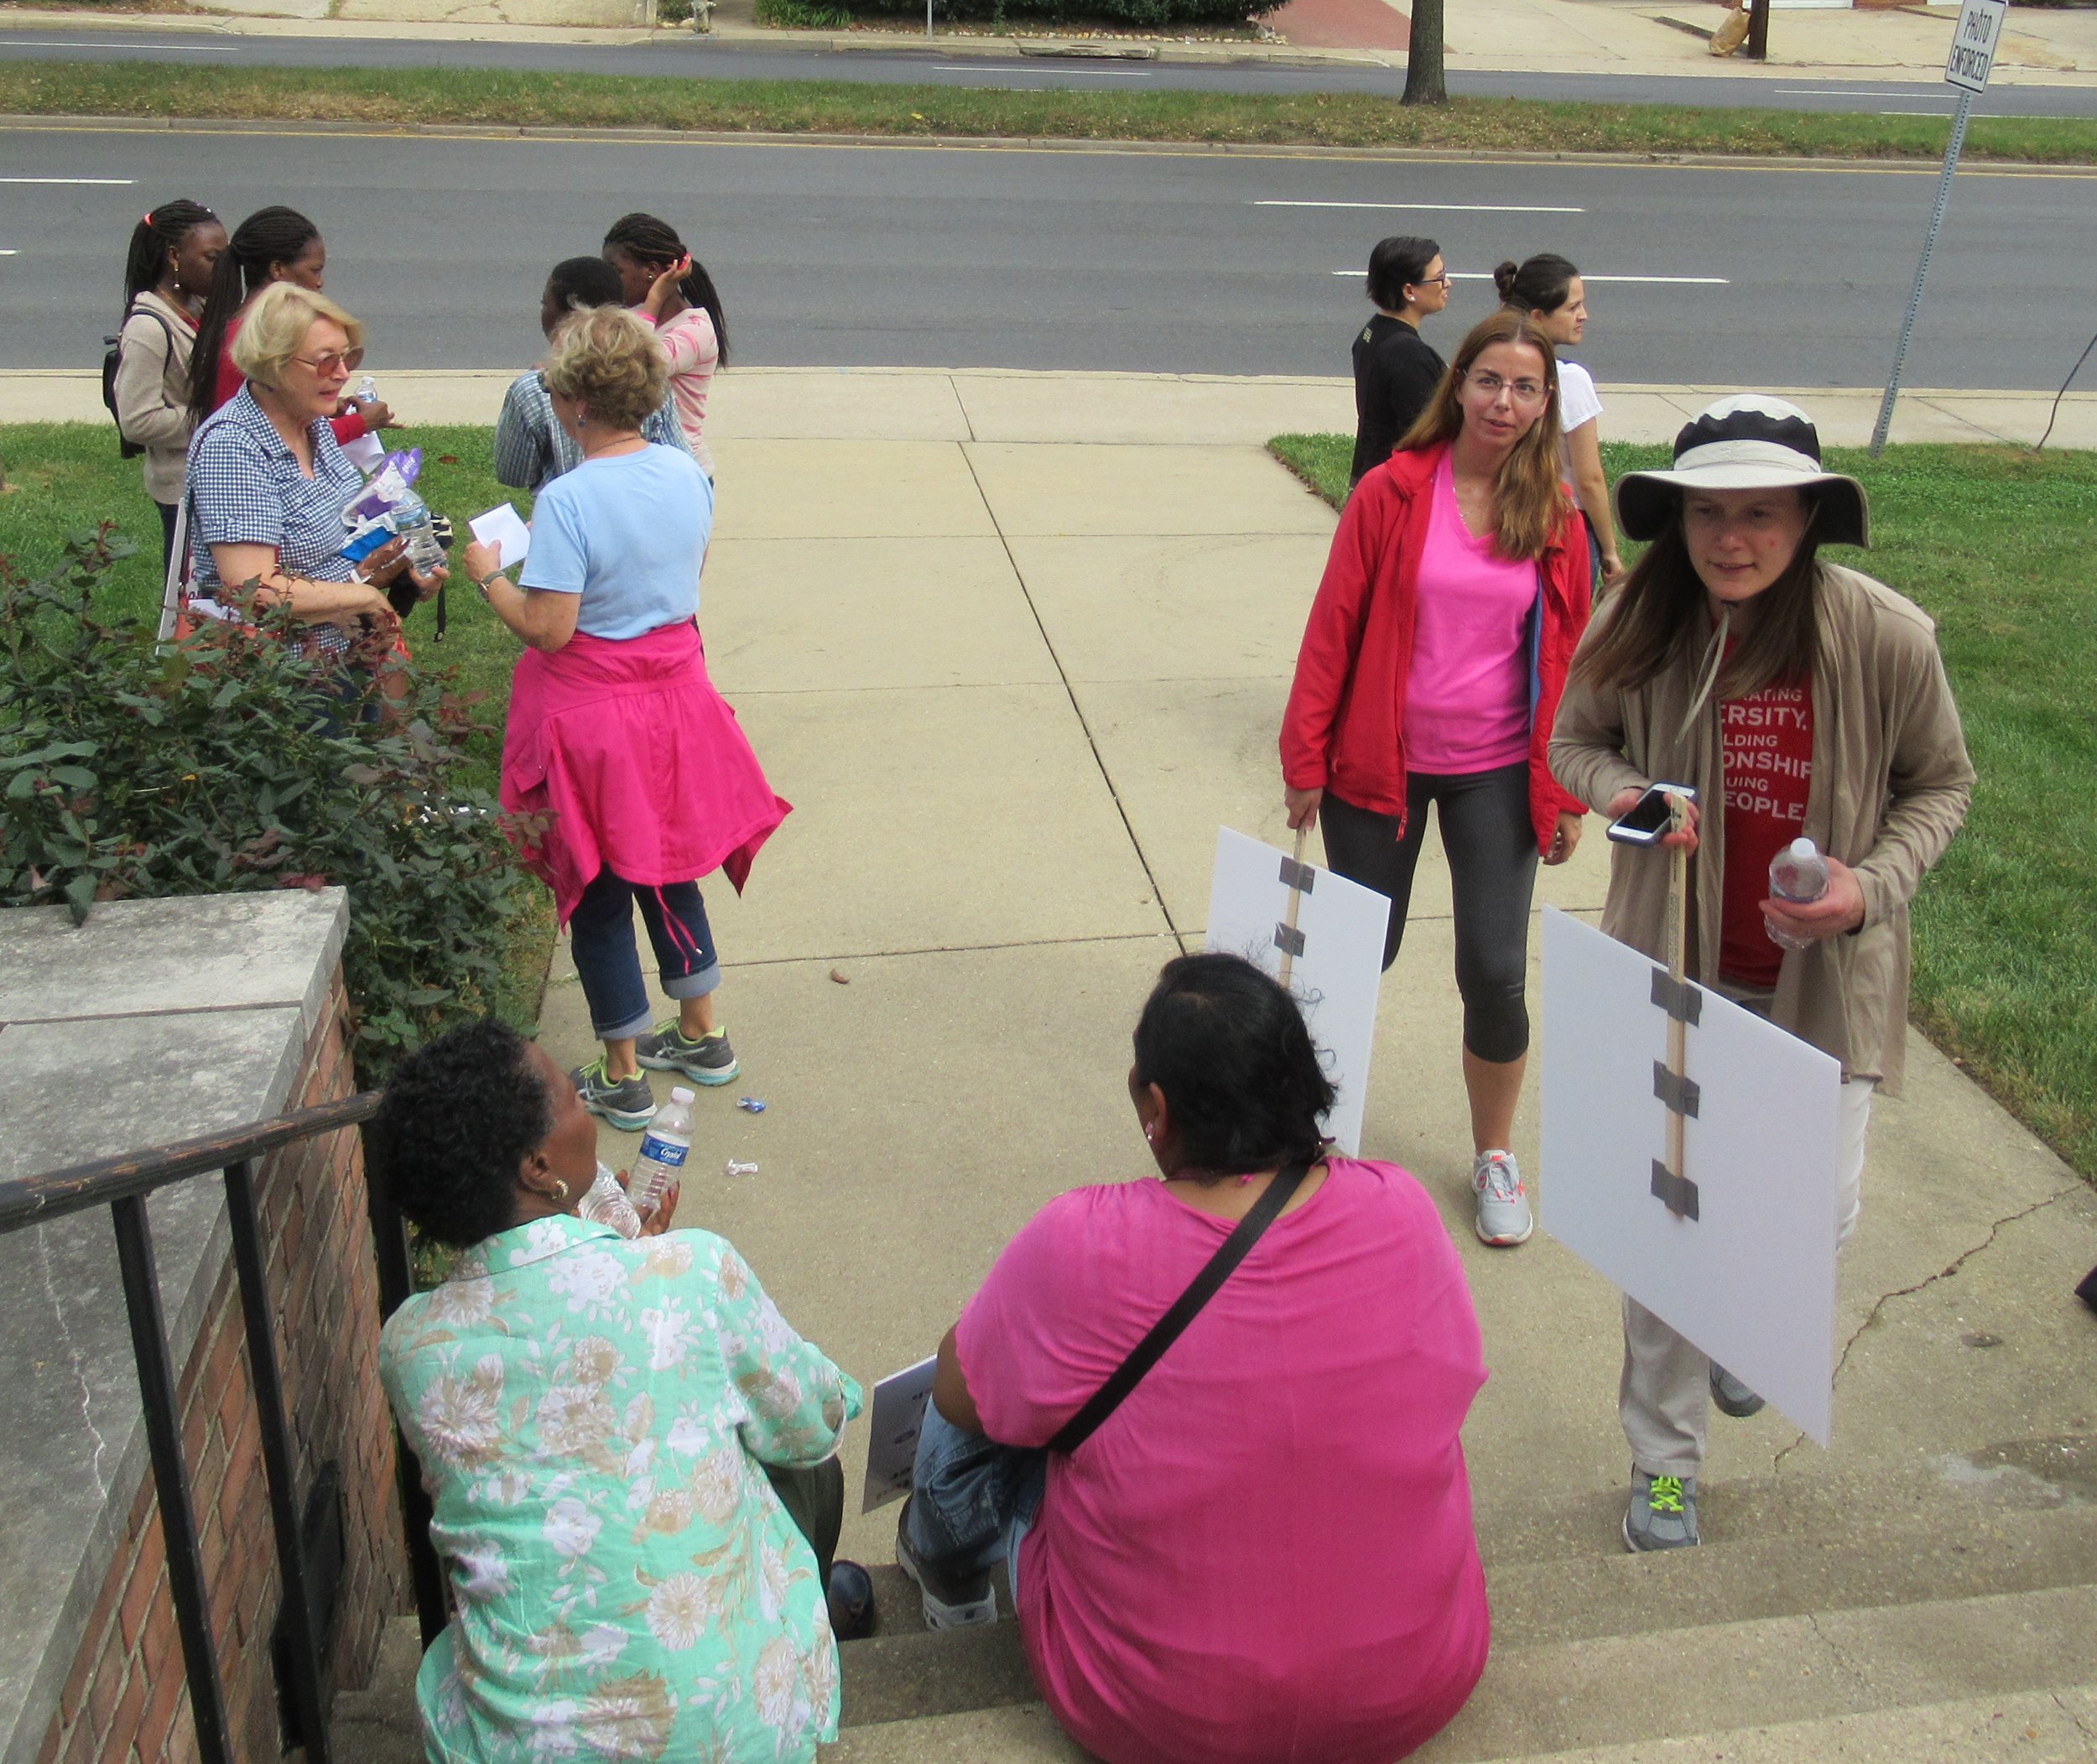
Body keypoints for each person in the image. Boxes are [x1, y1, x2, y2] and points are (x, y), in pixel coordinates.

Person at [1550, 395, 1974, 1553]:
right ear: (1676, 520)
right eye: (1708, 514)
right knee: (1667, 1232)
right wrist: (1627, 802)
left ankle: (1748, 1319)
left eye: (1760, 513)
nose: (1731, 538)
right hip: (1676, 976)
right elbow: (1573, 743)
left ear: (1809, 518)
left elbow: (1942, 786)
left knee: (1815, 1218)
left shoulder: (1887, 637)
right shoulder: (1639, 620)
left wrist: (1869, 886)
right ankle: (1666, 1465)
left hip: (1822, 992)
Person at [898, 952, 1489, 1764]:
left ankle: (946, 1571)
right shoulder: (1403, 1211)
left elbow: (961, 1396)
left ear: (1158, 1106)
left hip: (1155, 1718)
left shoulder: (1080, 1242)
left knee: (974, 1383)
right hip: (1411, 1688)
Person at [376, 1018, 864, 1764]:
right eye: (574, 1097)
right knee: (795, 1470)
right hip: (730, 1732)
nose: (589, 1110)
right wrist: (649, 1260)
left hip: (524, 1747)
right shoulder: (692, 1272)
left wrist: (632, 1253)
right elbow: (812, 1422)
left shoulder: (410, 1346)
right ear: (539, 1166)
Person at [1281, 310, 1591, 1246]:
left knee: (1494, 971)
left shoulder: (1557, 516)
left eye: (1525, 386)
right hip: (1378, 766)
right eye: (1488, 379)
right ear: (1458, 384)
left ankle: (1494, 1152)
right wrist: (1305, 757)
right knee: (1349, 962)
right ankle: (1308, 1135)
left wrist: (1565, 785)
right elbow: (1333, 624)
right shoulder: (1393, 491)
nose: (1504, 400)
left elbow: (1571, 658)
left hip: (1495, 772)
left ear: (1546, 403)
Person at [461, 306, 788, 1130]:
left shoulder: (570, 498)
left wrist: (487, 578)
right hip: (676, 699)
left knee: (600, 885)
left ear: (573, 402)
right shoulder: (685, 474)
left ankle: (622, 1071)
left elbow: (549, 628)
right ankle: (703, 1031)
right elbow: (680, 575)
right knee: (670, 861)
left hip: (594, 720)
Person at [185, 282, 439, 665]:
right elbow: (255, 590)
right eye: (325, 361)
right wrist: (366, 597)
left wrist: (406, 566)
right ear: (274, 362)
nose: (341, 374)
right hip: (274, 679)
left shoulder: (311, 424)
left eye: (347, 358)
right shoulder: (233, 447)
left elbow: (345, 529)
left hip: (341, 654)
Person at [189, 206, 397, 443]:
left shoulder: (243, 326)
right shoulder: (253, 338)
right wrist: (360, 423)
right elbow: (270, 437)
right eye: (314, 270)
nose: (319, 283)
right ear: (278, 269)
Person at [493, 255, 691, 495]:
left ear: (569, 310)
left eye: (546, 303)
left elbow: (513, 474)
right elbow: (680, 455)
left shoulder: (532, 389)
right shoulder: (649, 375)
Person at [1496, 252, 1622, 587]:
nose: (1584, 316)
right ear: (1538, 316)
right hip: (1565, 530)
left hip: (1508, 521)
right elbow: (1590, 479)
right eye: (1572, 308)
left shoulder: (1492, 371)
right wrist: (1610, 552)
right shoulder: (1569, 380)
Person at [112, 201, 224, 569]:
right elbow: (137, 421)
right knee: (188, 601)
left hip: (216, 478)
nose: (222, 267)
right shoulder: (148, 327)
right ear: (173, 256)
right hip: (182, 490)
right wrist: (219, 421)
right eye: (211, 257)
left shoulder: (202, 308)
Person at [603, 211, 729, 475]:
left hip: (682, 471)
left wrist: (657, 296)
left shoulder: (696, 330)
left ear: (652, 271)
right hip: (644, 463)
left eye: (617, 272)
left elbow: (639, 366)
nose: (611, 282)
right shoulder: (639, 318)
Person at [1349, 234, 1450, 488]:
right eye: (1439, 278)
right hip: (1394, 489)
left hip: (1369, 473)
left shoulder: (1372, 332)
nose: (1448, 283)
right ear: (1409, 291)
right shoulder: (1408, 355)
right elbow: (1425, 438)